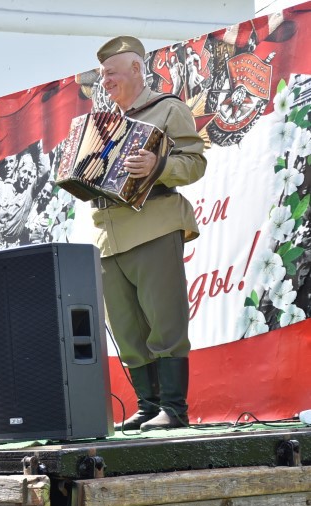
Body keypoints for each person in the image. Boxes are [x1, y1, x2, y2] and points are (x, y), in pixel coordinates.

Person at [93, 36, 207, 430]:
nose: (105, 81)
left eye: (111, 73)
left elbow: (195, 162)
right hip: (108, 236)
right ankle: (148, 406)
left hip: (155, 225)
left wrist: (158, 166)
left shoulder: (168, 108)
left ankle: (173, 409)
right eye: (102, 75)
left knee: (165, 320)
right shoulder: (102, 125)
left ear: (137, 69)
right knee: (126, 328)